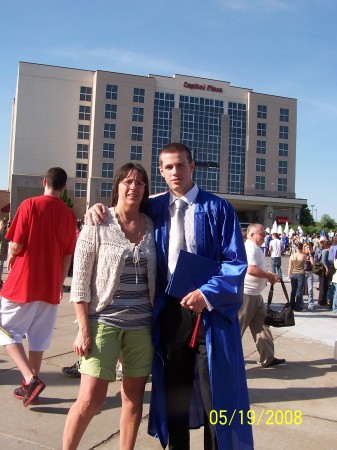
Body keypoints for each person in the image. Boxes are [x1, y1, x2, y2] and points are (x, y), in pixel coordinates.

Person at [86, 143, 253, 450]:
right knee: (175, 393)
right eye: (168, 167)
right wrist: (97, 209)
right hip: (171, 315)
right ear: (161, 172)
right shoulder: (154, 207)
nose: (175, 172)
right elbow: (123, 210)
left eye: (181, 165)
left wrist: (207, 294)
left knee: (215, 394)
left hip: (210, 314)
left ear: (193, 167)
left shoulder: (218, 208)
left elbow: (236, 263)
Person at [62, 163, 156, 450]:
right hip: (103, 323)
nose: (134, 187)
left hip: (142, 326)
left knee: (133, 398)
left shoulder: (152, 225)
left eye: (140, 183)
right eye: (128, 181)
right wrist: (82, 329)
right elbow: (80, 281)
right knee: (91, 399)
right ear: (117, 187)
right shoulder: (98, 223)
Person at [0, 167, 76, 407]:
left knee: (5, 330)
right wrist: (59, 283)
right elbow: (67, 255)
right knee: (38, 339)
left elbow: (16, 245)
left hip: (23, 281)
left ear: (44, 182)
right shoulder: (68, 215)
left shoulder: (29, 205)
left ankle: (30, 378)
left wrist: (13, 254)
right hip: (50, 285)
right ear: (64, 187)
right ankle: (29, 386)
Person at [239, 223, 285, 368]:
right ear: (251, 234)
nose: (264, 236)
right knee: (237, 328)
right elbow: (251, 269)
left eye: (264, 233)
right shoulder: (250, 248)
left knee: (262, 326)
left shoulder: (256, 248)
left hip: (255, 294)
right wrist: (269, 275)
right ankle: (225, 358)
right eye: (261, 233)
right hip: (247, 294)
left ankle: (268, 357)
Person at [288, 242, 307, 311]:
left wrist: (288, 275)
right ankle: (298, 306)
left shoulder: (292, 256)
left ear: (296, 248)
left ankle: (291, 305)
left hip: (293, 273)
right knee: (299, 290)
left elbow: (289, 267)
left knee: (293, 290)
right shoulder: (304, 256)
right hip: (301, 273)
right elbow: (305, 265)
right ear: (302, 248)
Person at [303, 242, 315, 311]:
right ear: (304, 248)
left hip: (310, 273)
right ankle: (301, 302)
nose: (308, 249)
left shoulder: (312, 254)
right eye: (307, 247)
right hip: (303, 273)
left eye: (309, 247)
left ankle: (311, 303)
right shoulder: (303, 255)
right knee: (302, 289)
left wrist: (310, 255)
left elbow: (313, 263)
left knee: (310, 289)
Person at [0, 218, 9, 289]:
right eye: (2, 225)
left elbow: (7, 244)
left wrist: (6, 253)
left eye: (4, 225)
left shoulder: (5, 234)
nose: (3, 226)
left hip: (2, 253)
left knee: (1, 268)